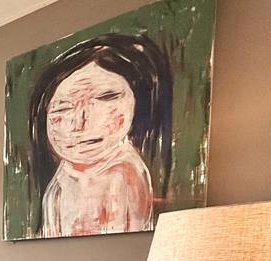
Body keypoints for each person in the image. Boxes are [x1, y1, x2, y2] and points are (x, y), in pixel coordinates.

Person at [28, 33, 172, 238]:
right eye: (62, 108)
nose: (79, 123)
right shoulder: (61, 180)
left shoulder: (123, 173)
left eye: (106, 97)